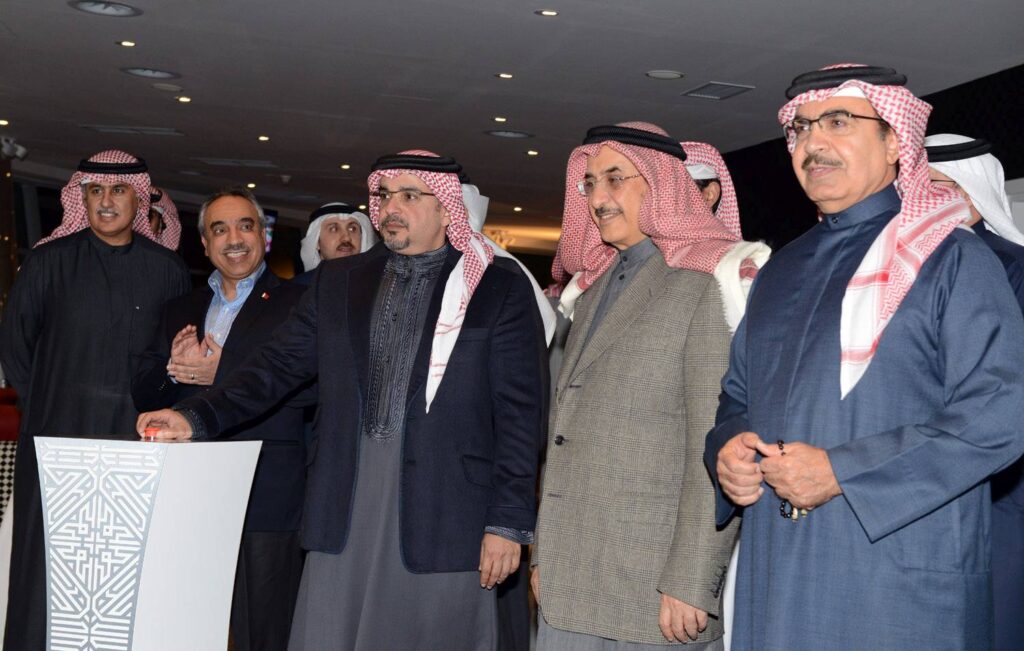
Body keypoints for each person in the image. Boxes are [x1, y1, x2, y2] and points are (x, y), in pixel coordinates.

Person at [136, 150, 548, 650]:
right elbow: (273, 369)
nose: (391, 208)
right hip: (347, 502)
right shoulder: (340, 281)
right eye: (384, 196)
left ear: (446, 207)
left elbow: (520, 415)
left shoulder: (496, 286)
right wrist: (194, 416)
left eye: (409, 196)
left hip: (445, 512)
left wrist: (507, 522)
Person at [705, 64, 1024, 650]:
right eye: (801, 128)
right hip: (779, 572)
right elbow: (738, 396)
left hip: (898, 579)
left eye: (838, 122)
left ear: (895, 141)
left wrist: (842, 472)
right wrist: (728, 450)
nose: (813, 143)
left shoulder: (953, 258)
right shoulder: (780, 270)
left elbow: (1001, 414)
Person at [532, 122, 751, 650]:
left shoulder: (709, 282)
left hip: (655, 592)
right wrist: (545, 557)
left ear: (663, 186)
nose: (597, 198)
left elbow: (716, 443)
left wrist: (693, 581)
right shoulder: (593, 287)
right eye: (589, 183)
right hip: (569, 580)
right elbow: (565, 437)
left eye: (615, 179)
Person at [0, 150, 191, 649]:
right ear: (80, 198)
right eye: (96, 191)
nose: (106, 201)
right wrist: (46, 408)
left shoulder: (167, 270)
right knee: (45, 560)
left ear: (138, 199)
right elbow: (15, 347)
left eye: (119, 190)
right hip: (54, 438)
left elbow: (173, 360)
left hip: (134, 444)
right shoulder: (48, 261)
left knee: (125, 563)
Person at [132, 188, 308, 651]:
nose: (234, 239)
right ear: (205, 244)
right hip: (188, 491)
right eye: (220, 229)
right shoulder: (180, 308)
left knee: (263, 629)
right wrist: (174, 370)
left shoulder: (298, 302)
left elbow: (311, 386)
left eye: (245, 226)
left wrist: (223, 370)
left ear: (263, 237)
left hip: (266, 492)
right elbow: (144, 391)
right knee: (187, 622)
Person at [926, 133, 1024, 651]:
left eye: (939, 187)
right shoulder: (899, 270)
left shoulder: (1014, 268)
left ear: (973, 193)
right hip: (918, 484)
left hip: (1000, 491)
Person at [295, 202, 377, 282]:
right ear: (317, 242)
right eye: (334, 229)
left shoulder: (378, 284)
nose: (346, 238)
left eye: (352, 229)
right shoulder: (299, 287)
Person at [147, 186, 183, 251]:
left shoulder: (164, 248)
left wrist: (157, 196)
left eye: (150, 215)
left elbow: (171, 213)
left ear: (160, 226)